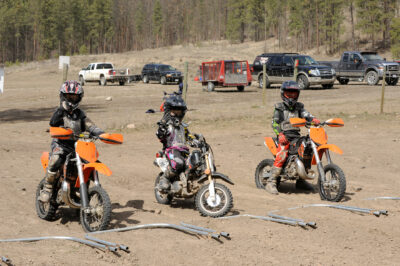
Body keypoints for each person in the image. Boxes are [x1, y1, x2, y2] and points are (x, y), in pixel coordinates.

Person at [39, 81, 105, 202]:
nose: (72, 99)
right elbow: (52, 123)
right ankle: (47, 187)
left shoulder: (80, 114)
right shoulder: (60, 112)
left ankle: (87, 189)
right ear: (63, 96)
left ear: (79, 98)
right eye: (69, 96)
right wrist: (61, 110)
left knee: (92, 160)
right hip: (61, 143)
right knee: (57, 159)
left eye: (74, 97)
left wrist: (101, 133)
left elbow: (90, 125)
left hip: (78, 145)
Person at [266, 81, 320, 195]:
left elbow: (307, 115)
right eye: (288, 94)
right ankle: (271, 182)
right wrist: (280, 134)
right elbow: (274, 123)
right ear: (283, 94)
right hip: (284, 136)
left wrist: (313, 119)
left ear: (298, 94)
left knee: (307, 150)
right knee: (283, 153)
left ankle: (301, 181)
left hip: (296, 136)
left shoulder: (299, 107)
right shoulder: (279, 108)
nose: (291, 97)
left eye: (294, 94)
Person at [156, 93, 196, 194]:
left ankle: (187, 184)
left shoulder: (183, 127)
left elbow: (189, 137)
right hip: (171, 150)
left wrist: (197, 141)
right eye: (174, 112)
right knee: (179, 163)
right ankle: (164, 178)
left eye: (179, 112)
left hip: (184, 152)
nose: (177, 114)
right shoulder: (166, 126)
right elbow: (160, 135)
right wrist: (162, 127)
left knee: (194, 164)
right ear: (168, 112)